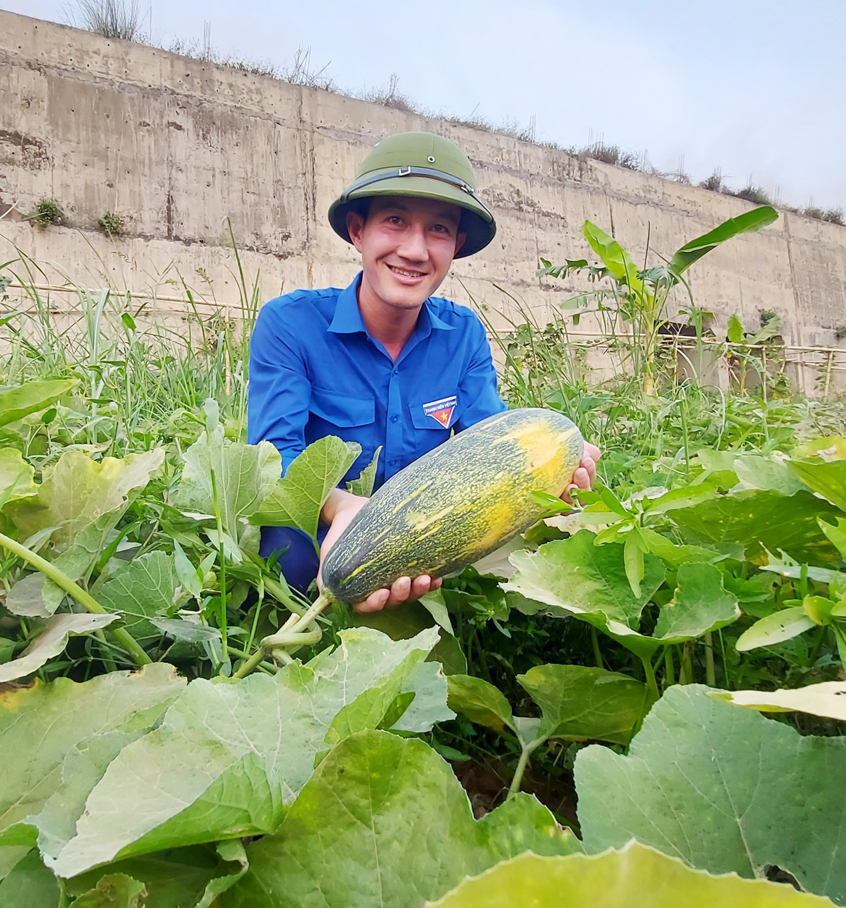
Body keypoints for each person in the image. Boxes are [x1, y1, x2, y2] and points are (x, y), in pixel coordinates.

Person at [247, 131, 599, 613]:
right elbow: (271, 458)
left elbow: (493, 446)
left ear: (455, 245)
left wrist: (550, 482)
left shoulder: (464, 334)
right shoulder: (290, 324)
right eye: (395, 220)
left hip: (420, 558)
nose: (415, 250)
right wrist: (342, 507)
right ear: (357, 231)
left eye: (438, 229)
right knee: (284, 551)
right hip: (308, 557)